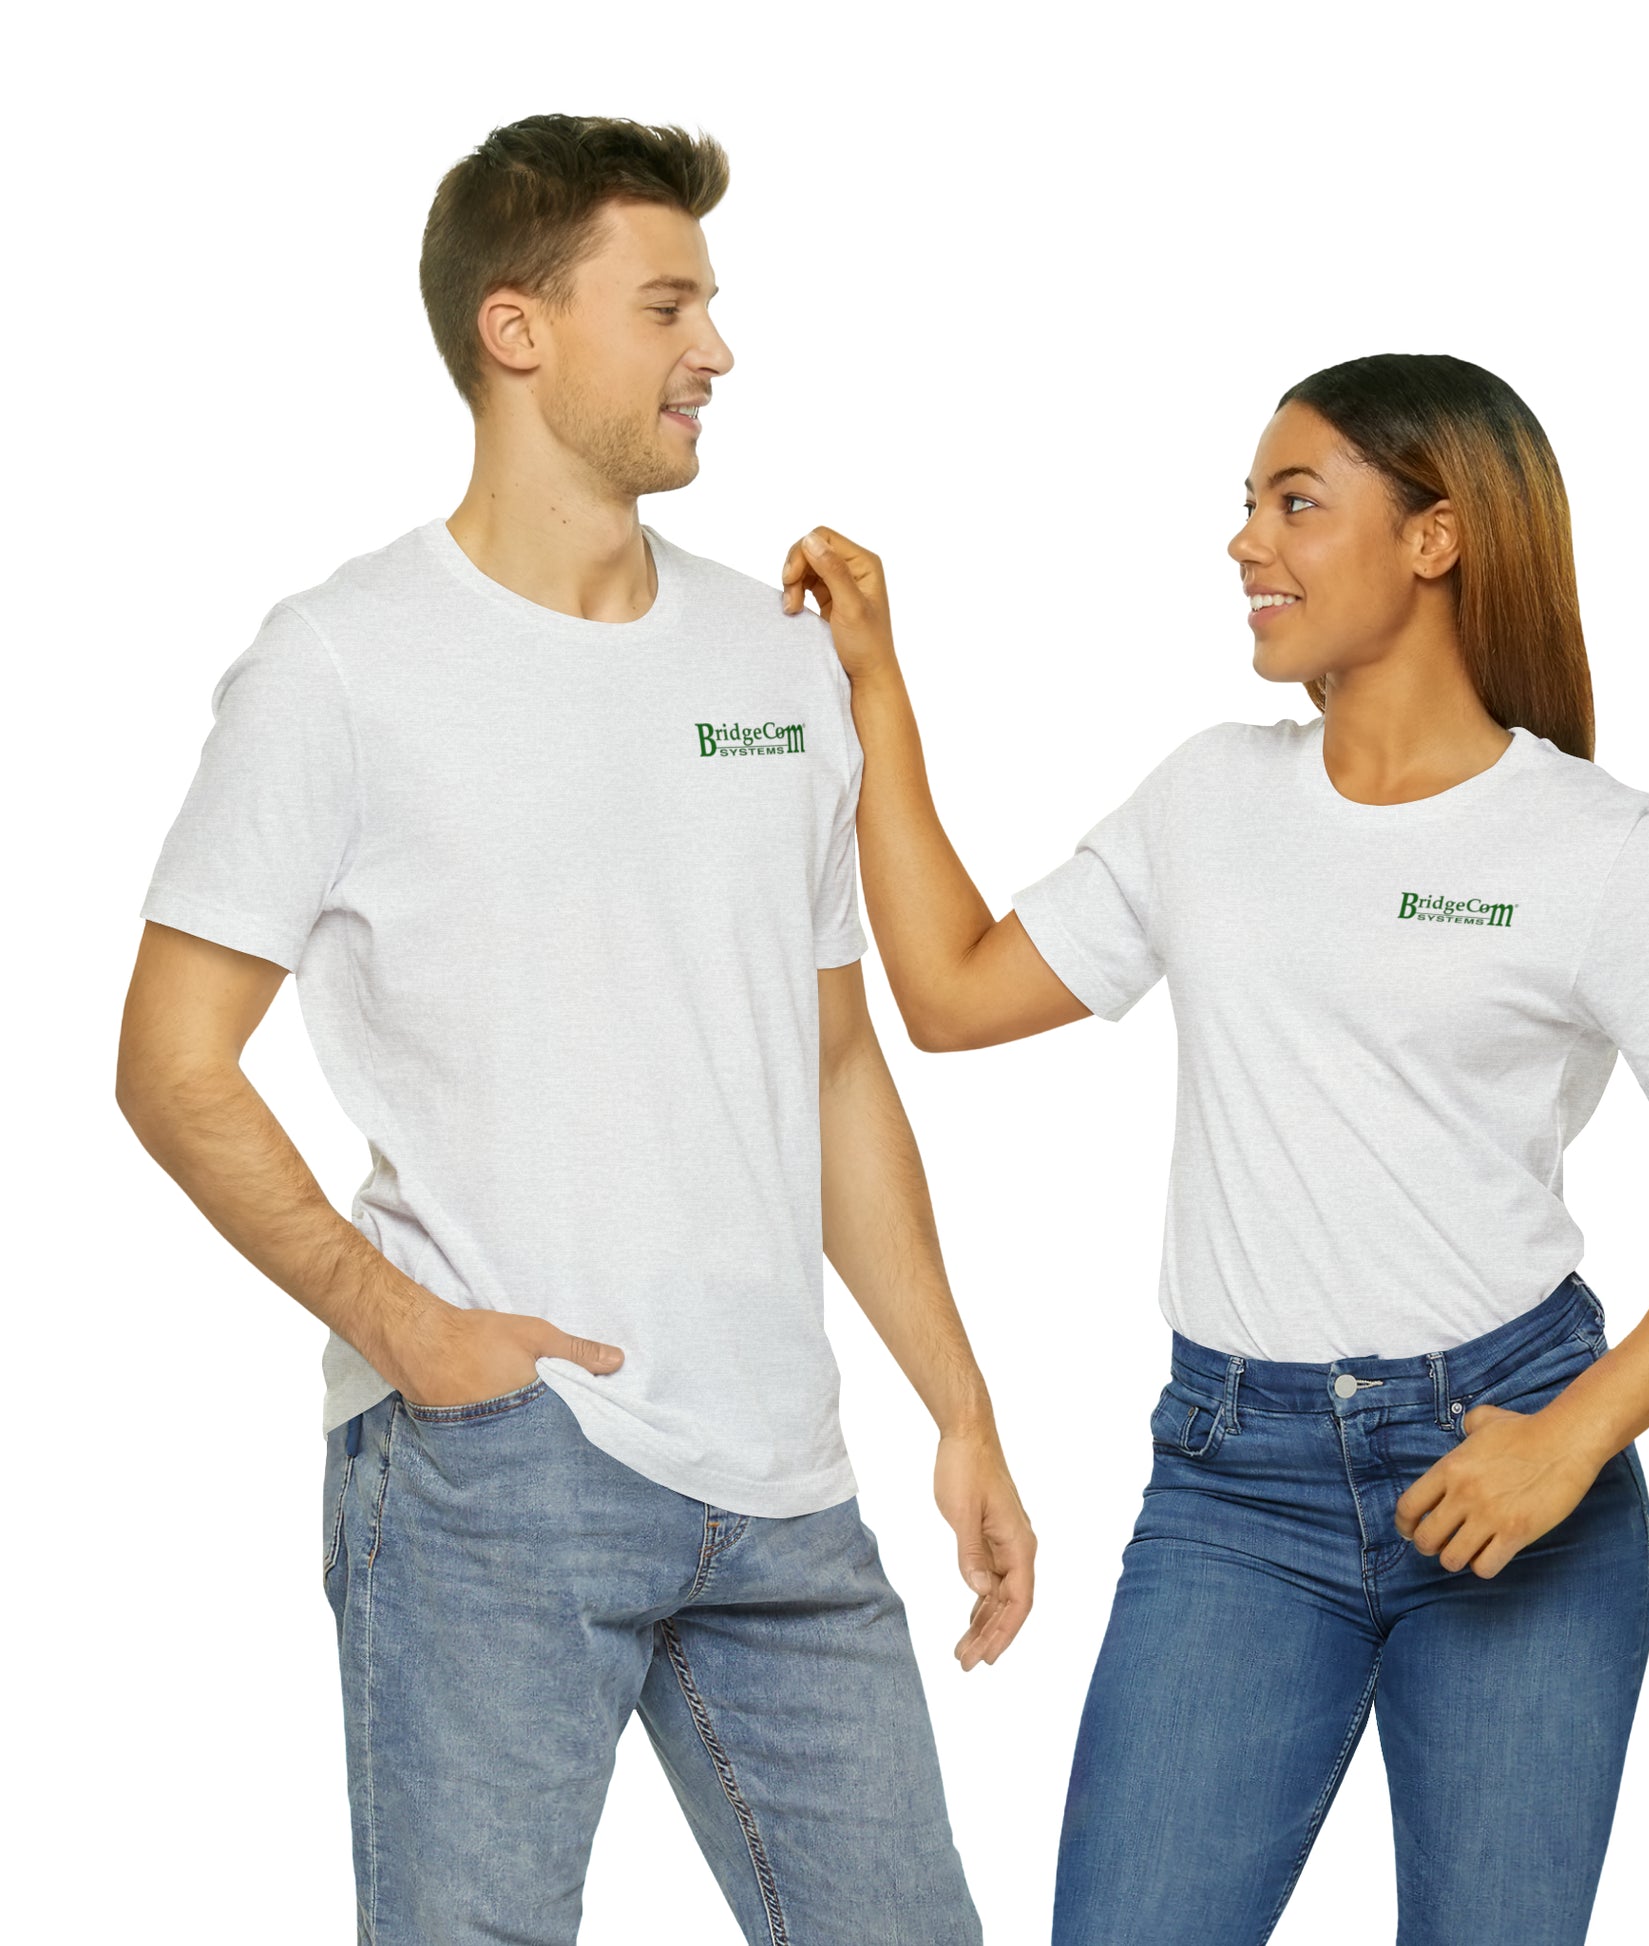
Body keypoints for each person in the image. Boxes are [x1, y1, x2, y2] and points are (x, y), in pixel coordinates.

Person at [780, 352, 1649, 1946]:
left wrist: (1566, 1441)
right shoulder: (1211, 797)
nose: (1243, 545)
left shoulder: (1595, 850)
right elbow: (947, 992)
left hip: (1510, 1472)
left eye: (1294, 502)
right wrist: (874, 684)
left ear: (1434, 538)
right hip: (1234, 1488)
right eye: (1246, 506)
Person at [116, 114, 1029, 1946]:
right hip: (495, 1465)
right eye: (670, 302)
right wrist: (408, 1329)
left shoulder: (777, 664)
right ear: (516, 330)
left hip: (785, 1470)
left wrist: (960, 1400)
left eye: (713, 304)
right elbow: (170, 1056)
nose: (718, 350)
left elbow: (834, 1059)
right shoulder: (344, 661)